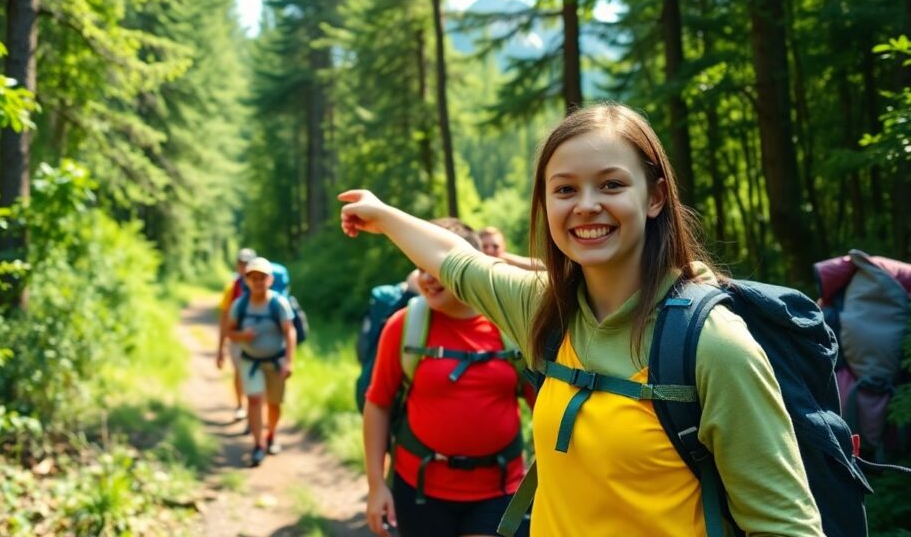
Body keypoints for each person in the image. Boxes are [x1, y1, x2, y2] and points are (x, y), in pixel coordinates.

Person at [339, 103, 823, 535]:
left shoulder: (712, 345)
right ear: (546, 204)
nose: (586, 204)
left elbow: (786, 525)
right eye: (565, 189)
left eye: (611, 184)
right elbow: (458, 260)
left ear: (655, 198)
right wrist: (382, 215)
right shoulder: (546, 309)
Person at [362, 218, 531, 537]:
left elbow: (545, 404)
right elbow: (378, 404)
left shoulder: (510, 327)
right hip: (419, 489)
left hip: (501, 490)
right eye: (420, 267)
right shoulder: (404, 325)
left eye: (436, 267)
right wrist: (375, 485)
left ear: (468, 268)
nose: (427, 279)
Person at [226, 257, 296, 467]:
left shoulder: (279, 304)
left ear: (270, 280)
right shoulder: (240, 305)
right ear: (246, 280)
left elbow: (289, 332)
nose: (257, 281)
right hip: (250, 361)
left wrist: (288, 362)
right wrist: (242, 336)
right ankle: (258, 445)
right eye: (253, 277)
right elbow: (229, 331)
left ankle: (271, 434)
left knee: (274, 404)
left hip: (275, 361)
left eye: (261, 277)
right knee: (254, 400)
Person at [217, 247, 256, 421]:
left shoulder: (262, 284)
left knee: (254, 375)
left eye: (247, 263)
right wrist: (220, 349)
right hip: (237, 340)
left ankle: (251, 410)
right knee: (240, 373)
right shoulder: (231, 288)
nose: (244, 266)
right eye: (241, 263)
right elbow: (224, 319)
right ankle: (242, 405)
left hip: (258, 340)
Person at [478, 226, 542, 271]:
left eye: (495, 246)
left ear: (503, 247)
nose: (490, 250)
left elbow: (544, 266)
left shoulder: (510, 263)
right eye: (485, 246)